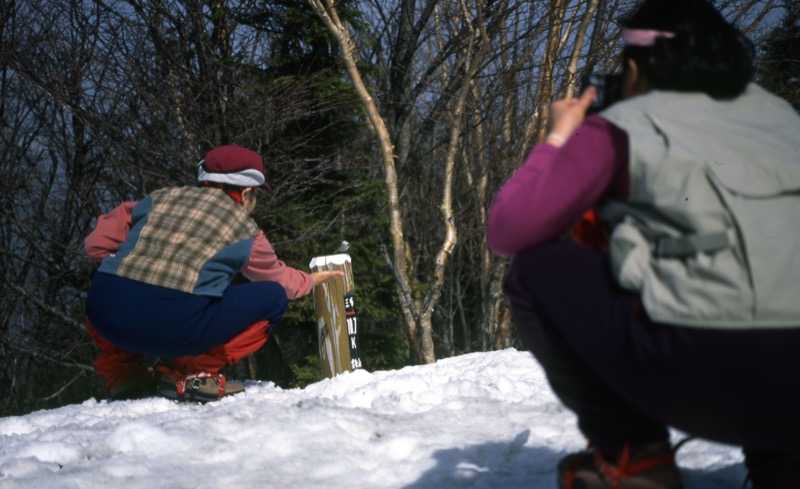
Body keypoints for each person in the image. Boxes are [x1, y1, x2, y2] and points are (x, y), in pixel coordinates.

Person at [486, 0, 800, 488]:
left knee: (536, 269)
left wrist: (558, 138)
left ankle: (636, 458)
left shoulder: (626, 125)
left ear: (635, 69)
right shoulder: (782, 118)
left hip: (712, 381)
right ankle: (785, 461)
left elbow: (509, 229)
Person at [84, 144, 343, 403]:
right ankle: (193, 375)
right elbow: (279, 281)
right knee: (272, 297)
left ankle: (124, 377)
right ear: (246, 192)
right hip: (174, 328)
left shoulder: (156, 200)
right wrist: (309, 280)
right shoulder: (245, 229)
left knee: (108, 280)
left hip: (106, 318)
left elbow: (94, 246)